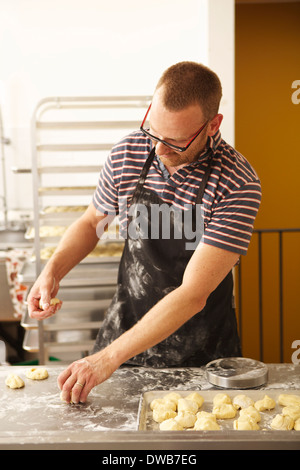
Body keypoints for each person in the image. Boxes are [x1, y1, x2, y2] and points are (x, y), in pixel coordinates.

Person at [27, 62, 261, 404]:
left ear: (213, 125)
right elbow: (93, 223)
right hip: (124, 331)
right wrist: (53, 269)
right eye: (153, 131)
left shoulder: (236, 183)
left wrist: (106, 359)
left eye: (177, 141)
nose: (159, 149)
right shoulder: (128, 153)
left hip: (201, 349)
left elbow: (194, 294)